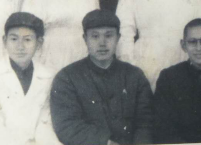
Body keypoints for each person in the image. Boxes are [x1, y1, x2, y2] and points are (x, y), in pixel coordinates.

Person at [50, 10, 153, 145]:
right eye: (95, 36)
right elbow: (67, 126)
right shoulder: (67, 78)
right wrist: (105, 142)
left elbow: (146, 122)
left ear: (118, 38)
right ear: (85, 39)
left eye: (109, 36)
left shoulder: (135, 76)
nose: (102, 43)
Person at [0, 12, 61, 145]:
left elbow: (45, 124)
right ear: (4, 41)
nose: (20, 46)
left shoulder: (49, 76)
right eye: (14, 39)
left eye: (27, 40)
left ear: (39, 43)